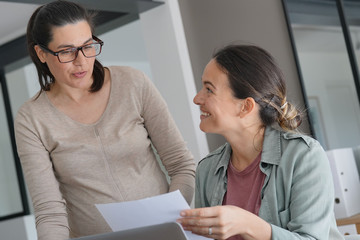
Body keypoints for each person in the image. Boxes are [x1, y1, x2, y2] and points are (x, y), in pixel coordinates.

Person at [14, 1, 195, 239]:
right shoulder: (31, 118)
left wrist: (170, 221)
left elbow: (182, 165)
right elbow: (50, 211)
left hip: (164, 233)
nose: (82, 61)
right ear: (41, 54)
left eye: (88, 46)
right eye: (67, 51)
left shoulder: (133, 83)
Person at [177, 45, 344, 239]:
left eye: (209, 89)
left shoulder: (304, 157)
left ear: (245, 106)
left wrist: (246, 224)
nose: (197, 99)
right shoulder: (207, 169)